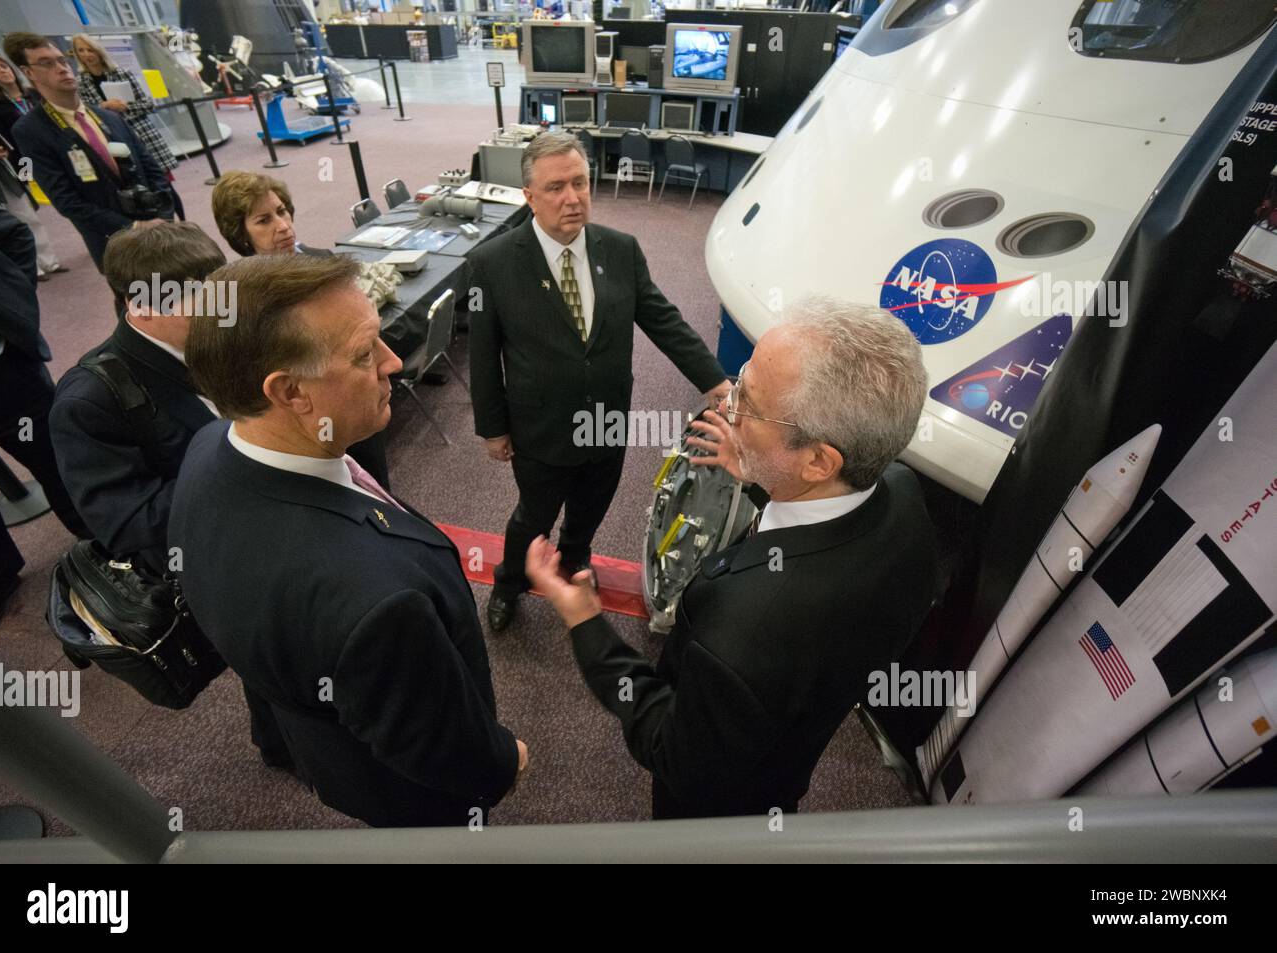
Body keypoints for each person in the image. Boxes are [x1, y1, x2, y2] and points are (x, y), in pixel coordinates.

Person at [526, 298, 940, 819]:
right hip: (786, 758)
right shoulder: (901, 492)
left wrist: (586, 624)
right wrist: (762, 477)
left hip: (711, 812)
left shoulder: (741, 632)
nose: (726, 407)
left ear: (817, 461)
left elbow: (671, 750)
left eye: (750, 402)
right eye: (739, 378)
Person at [169, 254, 526, 827]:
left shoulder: (211, 445)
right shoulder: (375, 600)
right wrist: (504, 762)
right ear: (289, 392)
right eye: (364, 355)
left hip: (329, 742)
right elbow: (446, 749)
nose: (394, 363)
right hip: (416, 793)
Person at [468, 131, 730, 632]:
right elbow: (483, 356)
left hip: (607, 424)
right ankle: (508, 584)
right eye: (555, 188)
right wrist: (493, 428)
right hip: (539, 429)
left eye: (580, 184)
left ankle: (572, 564)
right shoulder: (492, 264)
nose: (572, 198)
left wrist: (714, 381)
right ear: (529, 195)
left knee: (587, 516)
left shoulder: (622, 250)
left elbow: (663, 320)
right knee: (531, 519)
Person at [49, 222, 226, 578]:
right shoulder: (89, 402)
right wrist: (248, 454)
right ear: (141, 306)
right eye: (197, 299)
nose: (221, 310)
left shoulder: (214, 329)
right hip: (206, 556)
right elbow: (128, 523)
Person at [208, 169, 389, 486]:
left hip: (355, 412)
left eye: (282, 211)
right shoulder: (235, 299)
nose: (283, 226)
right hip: (301, 437)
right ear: (241, 235)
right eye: (263, 221)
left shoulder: (323, 263)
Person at [0, 198, 87, 633]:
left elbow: (14, 232)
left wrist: (13, 300)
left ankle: (94, 537)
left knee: (51, 456)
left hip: (0, 369)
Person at [3, 32, 177, 271]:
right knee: (140, 304)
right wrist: (134, 227)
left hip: (159, 227)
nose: (62, 68)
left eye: (62, 60)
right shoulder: (30, 130)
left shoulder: (108, 116)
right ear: (29, 73)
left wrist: (164, 216)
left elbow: (151, 167)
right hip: (114, 242)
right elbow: (67, 202)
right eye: (46, 63)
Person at [0, 51, 66, 279]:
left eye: (3, 65)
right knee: (24, 208)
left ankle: (50, 262)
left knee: (47, 201)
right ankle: (34, 265)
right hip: (18, 159)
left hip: (45, 152)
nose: (2, 70)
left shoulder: (31, 94)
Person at [69, 35, 180, 186]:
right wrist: (104, 106)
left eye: (90, 50)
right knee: (133, 182)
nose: (87, 54)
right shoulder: (80, 83)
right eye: (81, 50)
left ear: (99, 51)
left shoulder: (121, 73)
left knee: (162, 181)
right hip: (113, 138)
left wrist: (125, 106)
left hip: (141, 133)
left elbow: (148, 104)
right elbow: (86, 114)